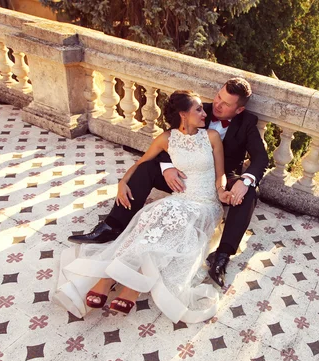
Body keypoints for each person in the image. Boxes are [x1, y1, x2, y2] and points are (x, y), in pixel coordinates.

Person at [68, 78, 268, 288]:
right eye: (219, 97)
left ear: (239, 110)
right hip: (184, 176)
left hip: (220, 178)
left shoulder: (247, 123)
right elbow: (170, 139)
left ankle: (222, 256)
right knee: (146, 169)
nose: (217, 105)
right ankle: (113, 225)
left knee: (249, 194)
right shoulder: (196, 108)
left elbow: (261, 159)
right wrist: (167, 167)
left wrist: (245, 181)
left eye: (226, 104)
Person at [53, 90, 232, 322]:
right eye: (198, 109)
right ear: (183, 114)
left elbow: (221, 173)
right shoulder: (166, 139)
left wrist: (222, 191)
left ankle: (131, 286)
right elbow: (142, 162)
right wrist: (123, 183)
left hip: (206, 204)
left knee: (174, 226)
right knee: (152, 217)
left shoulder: (211, 137)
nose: (203, 112)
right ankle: (108, 277)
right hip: (181, 198)